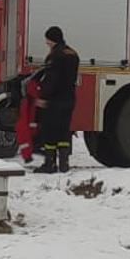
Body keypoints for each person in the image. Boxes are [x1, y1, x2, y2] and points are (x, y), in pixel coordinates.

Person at [34, 26, 79, 174]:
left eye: (47, 39)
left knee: (50, 132)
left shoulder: (55, 56)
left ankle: (49, 164)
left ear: (51, 39)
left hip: (55, 101)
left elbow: (51, 80)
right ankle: (64, 164)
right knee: (64, 132)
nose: (46, 43)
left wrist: (43, 97)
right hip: (69, 99)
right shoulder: (72, 54)